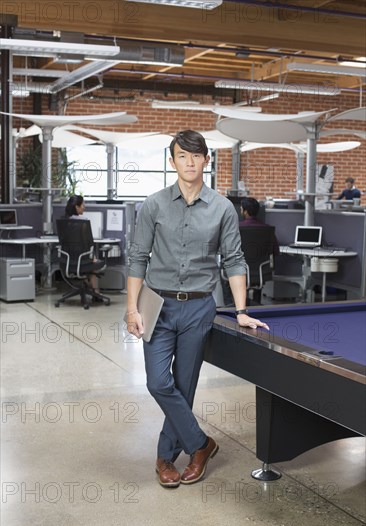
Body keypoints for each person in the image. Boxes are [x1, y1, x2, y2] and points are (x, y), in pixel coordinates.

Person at [126, 130, 269, 489]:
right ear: (171, 162)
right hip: (156, 304)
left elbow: (234, 260)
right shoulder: (154, 205)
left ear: (206, 160)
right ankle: (201, 444)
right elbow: (138, 258)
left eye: (196, 155)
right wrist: (131, 308)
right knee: (158, 382)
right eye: (182, 156)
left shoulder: (222, 207)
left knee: (184, 384)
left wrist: (240, 311)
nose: (190, 162)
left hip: (199, 308)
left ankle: (164, 457)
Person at [64, 195, 99, 293]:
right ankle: (96, 292)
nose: (85, 206)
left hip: (68, 260)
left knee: (86, 265)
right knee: (93, 267)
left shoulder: (65, 221)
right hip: (82, 260)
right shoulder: (83, 222)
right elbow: (87, 243)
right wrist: (93, 257)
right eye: (83, 204)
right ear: (77, 207)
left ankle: (88, 286)